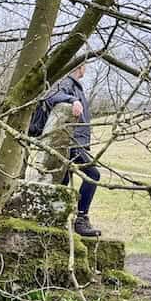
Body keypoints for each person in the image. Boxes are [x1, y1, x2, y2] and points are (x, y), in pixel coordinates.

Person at [41, 63, 102, 237]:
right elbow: (51, 96)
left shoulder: (74, 86)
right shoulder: (67, 83)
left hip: (75, 142)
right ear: (79, 67)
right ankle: (80, 219)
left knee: (63, 180)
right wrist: (73, 100)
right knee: (93, 175)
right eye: (85, 66)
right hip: (71, 143)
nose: (86, 69)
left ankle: (56, 219)